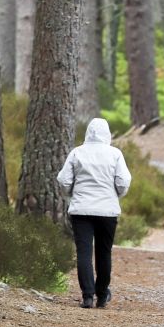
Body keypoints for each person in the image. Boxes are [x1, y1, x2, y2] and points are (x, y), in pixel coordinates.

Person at [57, 118, 132, 309]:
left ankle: (87, 296)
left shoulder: (77, 152)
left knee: (84, 252)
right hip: (107, 211)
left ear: (88, 133)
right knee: (104, 252)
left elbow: (64, 180)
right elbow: (123, 181)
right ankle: (102, 294)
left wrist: (73, 193)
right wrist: (115, 195)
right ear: (107, 134)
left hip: (81, 210)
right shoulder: (115, 154)